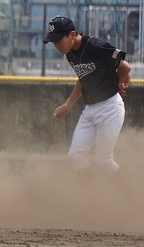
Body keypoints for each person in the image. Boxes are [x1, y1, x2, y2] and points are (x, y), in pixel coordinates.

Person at [44, 15, 131, 174]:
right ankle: (90, 194)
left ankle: (127, 189)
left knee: (104, 161)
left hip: (110, 108)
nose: (57, 45)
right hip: (90, 110)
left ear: (72, 34)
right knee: (75, 156)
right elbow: (83, 77)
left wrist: (115, 85)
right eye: (53, 42)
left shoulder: (95, 45)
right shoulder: (70, 53)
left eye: (59, 40)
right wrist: (68, 104)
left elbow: (125, 67)